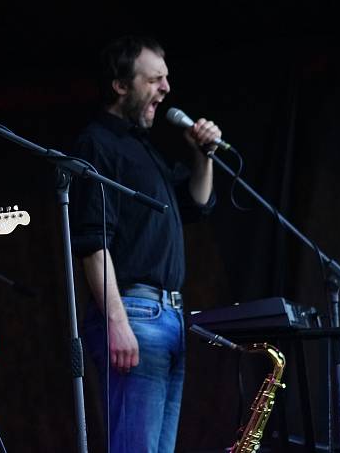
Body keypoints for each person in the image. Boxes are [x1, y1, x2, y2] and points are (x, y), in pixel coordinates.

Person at [70, 36, 221, 453]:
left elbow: (197, 204)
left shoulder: (142, 149)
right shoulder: (97, 144)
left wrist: (203, 155)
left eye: (166, 78)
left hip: (168, 316)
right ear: (121, 85)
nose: (166, 88)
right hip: (134, 313)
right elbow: (92, 243)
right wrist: (117, 321)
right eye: (155, 79)